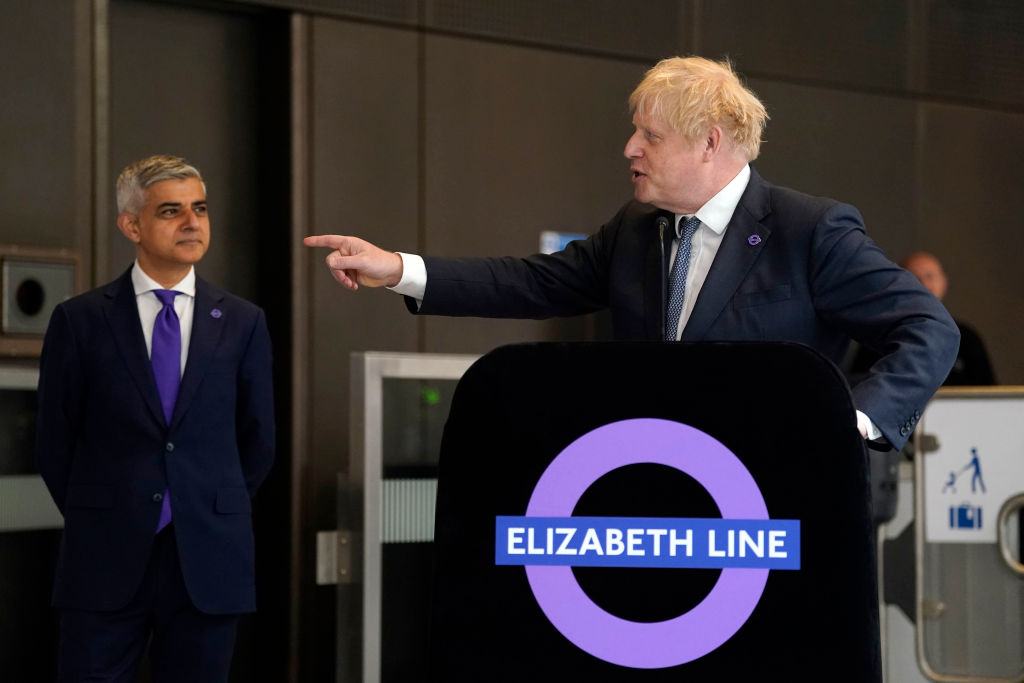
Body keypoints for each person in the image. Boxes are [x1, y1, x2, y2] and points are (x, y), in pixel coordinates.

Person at [304, 56, 959, 453]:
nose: (628, 149)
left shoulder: (807, 229)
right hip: (659, 493)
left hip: (777, 506)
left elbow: (929, 327)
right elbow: (531, 284)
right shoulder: (636, 228)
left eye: (649, 135)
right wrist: (397, 268)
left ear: (708, 143)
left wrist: (852, 421)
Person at [36, 155, 276, 682]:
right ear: (132, 225)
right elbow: (54, 442)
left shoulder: (243, 321)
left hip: (209, 557)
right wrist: (105, 507)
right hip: (103, 556)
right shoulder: (80, 320)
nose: (192, 222)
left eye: (200, 209)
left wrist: (202, 503)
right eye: (171, 211)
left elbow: (257, 443)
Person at [900, 251, 996, 385]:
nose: (924, 284)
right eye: (914, 277)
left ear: (943, 282)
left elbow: (989, 394)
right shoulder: (880, 337)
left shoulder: (967, 338)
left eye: (930, 276)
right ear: (899, 285)